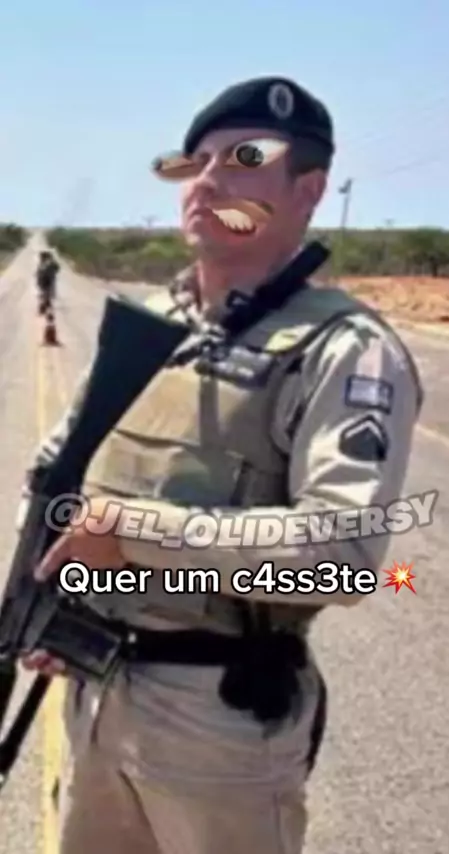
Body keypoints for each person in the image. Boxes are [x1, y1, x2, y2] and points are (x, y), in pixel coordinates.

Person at [19, 76, 423, 854]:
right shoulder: (153, 326)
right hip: (96, 686)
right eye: (199, 162)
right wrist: (51, 597)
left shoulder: (345, 348)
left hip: (218, 720)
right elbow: (63, 468)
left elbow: (341, 557)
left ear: (308, 190)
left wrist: (131, 533)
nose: (207, 181)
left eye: (243, 160)